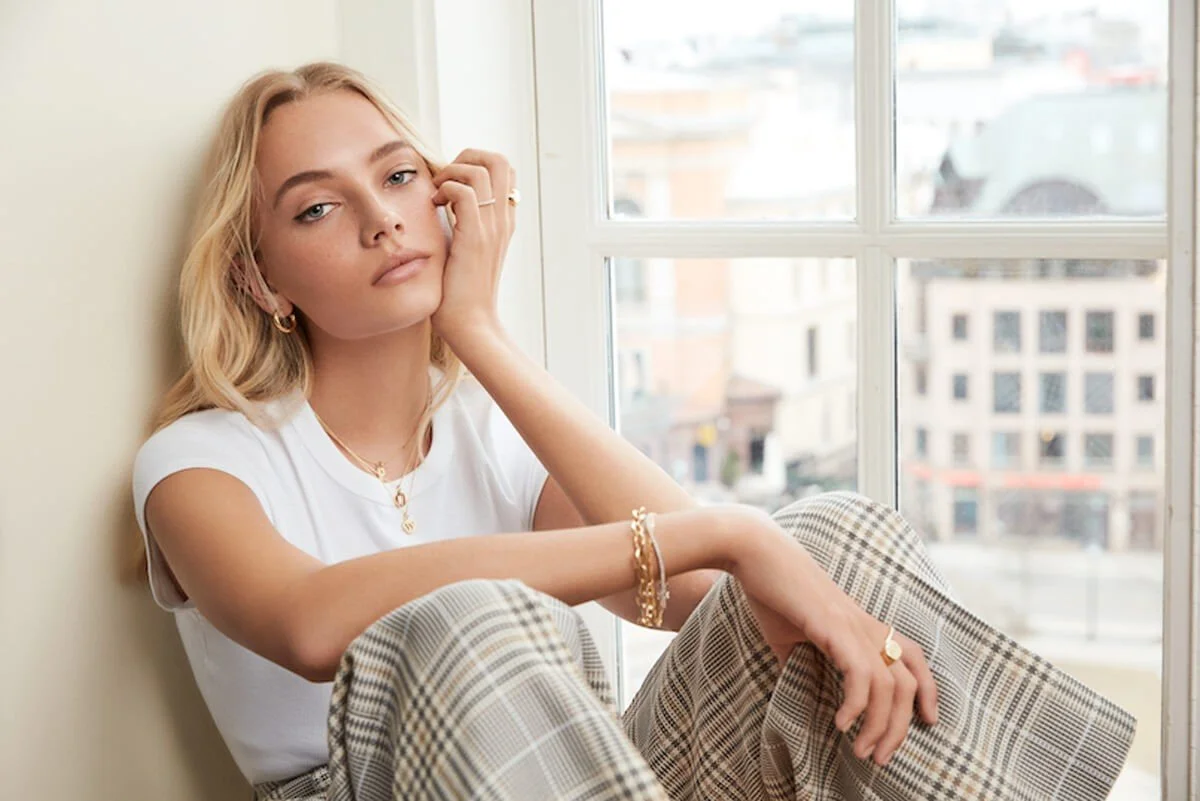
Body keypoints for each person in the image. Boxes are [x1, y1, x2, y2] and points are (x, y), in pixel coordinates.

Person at [132, 61, 1135, 801]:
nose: (381, 219)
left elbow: (708, 599)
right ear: (261, 280)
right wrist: (732, 530)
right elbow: (314, 625)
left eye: (398, 179)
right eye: (316, 210)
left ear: (448, 203)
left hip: (584, 773)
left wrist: (477, 331)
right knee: (468, 620)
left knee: (829, 540)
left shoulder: (488, 432)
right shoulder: (199, 465)